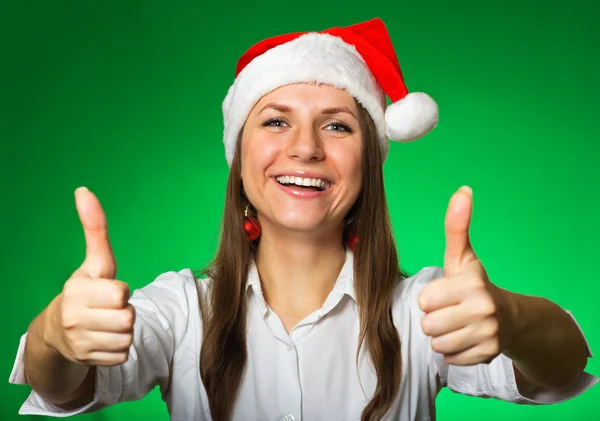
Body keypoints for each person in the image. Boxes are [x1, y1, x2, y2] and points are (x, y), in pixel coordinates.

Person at [8, 17, 599, 421]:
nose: (306, 148)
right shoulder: (182, 310)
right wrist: (58, 335)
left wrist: (513, 319)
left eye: (338, 125)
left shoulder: (422, 311)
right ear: (239, 160)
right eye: (275, 121)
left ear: (369, 159)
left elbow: (565, 367)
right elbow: (60, 387)